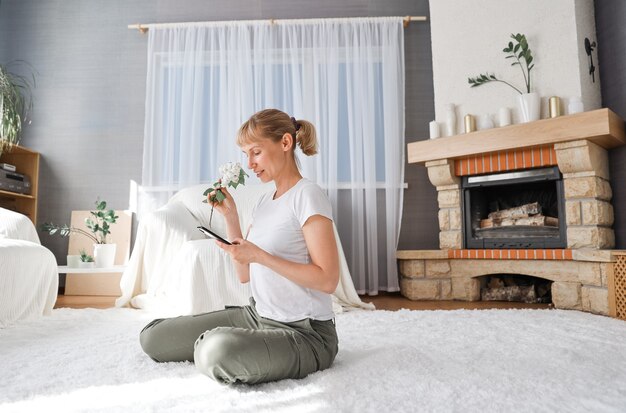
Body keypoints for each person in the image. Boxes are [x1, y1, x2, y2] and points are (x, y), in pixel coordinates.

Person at [139, 108, 340, 385]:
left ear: (285, 143)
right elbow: (244, 274)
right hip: (258, 315)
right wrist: (230, 216)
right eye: (246, 154)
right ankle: (223, 344)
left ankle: (218, 346)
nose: (250, 164)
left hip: (306, 334)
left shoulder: (308, 195)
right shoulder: (264, 201)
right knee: (153, 337)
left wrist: (260, 255)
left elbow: (328, 279)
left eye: (255, 152)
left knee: (216, 350)